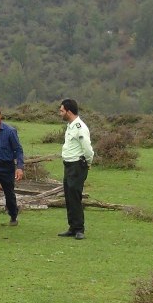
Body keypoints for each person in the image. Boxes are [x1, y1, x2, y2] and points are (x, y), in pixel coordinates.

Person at [58, 98, 95, 240]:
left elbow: (87, 148)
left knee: (75, 196)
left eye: (62, 111)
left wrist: (88, 162)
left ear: (69, 111)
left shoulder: (80, 127)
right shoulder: (70, 125)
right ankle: (72, 227)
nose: (60, 113)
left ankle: (79, 229)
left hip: (77, 165)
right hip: (68, 165)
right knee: (68, 195)